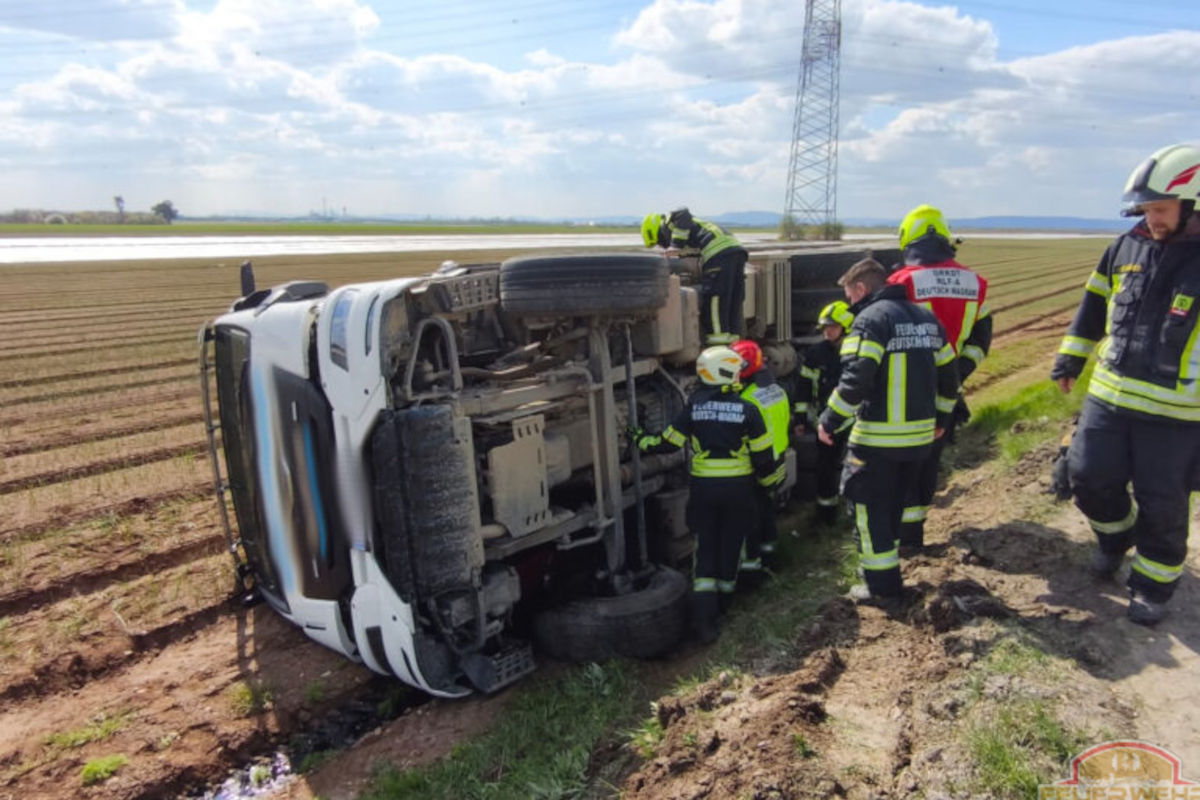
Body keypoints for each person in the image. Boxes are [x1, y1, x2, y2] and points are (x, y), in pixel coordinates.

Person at [1050, 143, 1200, 626]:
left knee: (1164, 504)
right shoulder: (1125, 247)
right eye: (1146, 208)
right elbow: (1093, 306)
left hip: (1177, 416)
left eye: (1160, 208)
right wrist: (1070, 358)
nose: (1150, 218)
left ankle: (1153, 586)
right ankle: (1115, 539)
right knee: (1087, 477)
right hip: (1108, 400)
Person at [817, 258, 959, 604]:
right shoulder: (927, 318)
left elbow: (855, 379)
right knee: (893, 508)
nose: (850, 304)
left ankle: (881, 590)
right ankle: (888, 574)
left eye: (850, 296)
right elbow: (949, 377)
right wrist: (941, 420)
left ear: (862, 289)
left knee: (868, 512)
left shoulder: (869, 321)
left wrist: (829, 420)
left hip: (877, 442)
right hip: (919, 442)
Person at [633, 345, 781, 641]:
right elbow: (764, 458)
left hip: (704, 491)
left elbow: (669, 443)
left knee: (705, 550)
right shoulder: (748, 410)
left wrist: (641, 440)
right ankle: (725, 605)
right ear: (725, 372)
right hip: (739, 491)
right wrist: (770, 484)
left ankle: (704, 621)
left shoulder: (694, 407)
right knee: (731, 546)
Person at [887, 205, 992, 549]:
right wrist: (957, 373)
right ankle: (914, 535)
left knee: (897, 465)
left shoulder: (902, 282)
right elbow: (981, 340)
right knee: (927, 463)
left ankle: (895, 539)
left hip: (905, 389)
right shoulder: (976, 284)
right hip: (947, 390)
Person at [730, 338, 791, 576]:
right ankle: (771, 559)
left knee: (750, 521)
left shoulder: (748, 400)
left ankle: (751, 572)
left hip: (758, 465)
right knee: (767, 513)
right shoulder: (776, 390)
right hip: (778, 461)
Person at [642, 207, 748, 344]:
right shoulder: (691, 230)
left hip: (719, 253)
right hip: (736, 250)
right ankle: (734, 342)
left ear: (658, 230)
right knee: (733, 300)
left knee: (715, 300)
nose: (663, 247)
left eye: (659, 242)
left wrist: (675, 245)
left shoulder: (672, 222)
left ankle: (718, 345)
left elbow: (683, 213)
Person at [795, 300, 855, 525]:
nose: (827, 331)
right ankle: (825, 516)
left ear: (845, 327)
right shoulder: (815, 353)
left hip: (854, 421)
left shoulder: (855, 352)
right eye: (825, 327)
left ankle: (853, 513)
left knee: (855, 468)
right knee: (824, 470)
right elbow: (804, 386)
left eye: (832, 326)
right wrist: (800, 418)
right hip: (826, 423)